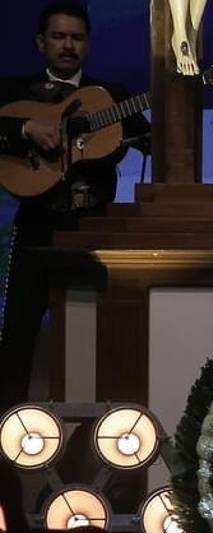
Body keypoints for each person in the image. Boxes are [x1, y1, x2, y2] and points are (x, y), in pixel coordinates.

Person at [0, 3, 150, 411]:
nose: (68, 45)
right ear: (41, 43)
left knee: (97, 331)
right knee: (17, 333)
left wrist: (138, 136)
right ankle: (9, 429)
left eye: (77, 38)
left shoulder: (111, 96)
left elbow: (151, 139)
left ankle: (101, 427)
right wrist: (26, 128)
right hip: (36, 226)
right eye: (59, 37)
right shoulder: (15, 92)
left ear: (88, 44)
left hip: (94, 227)